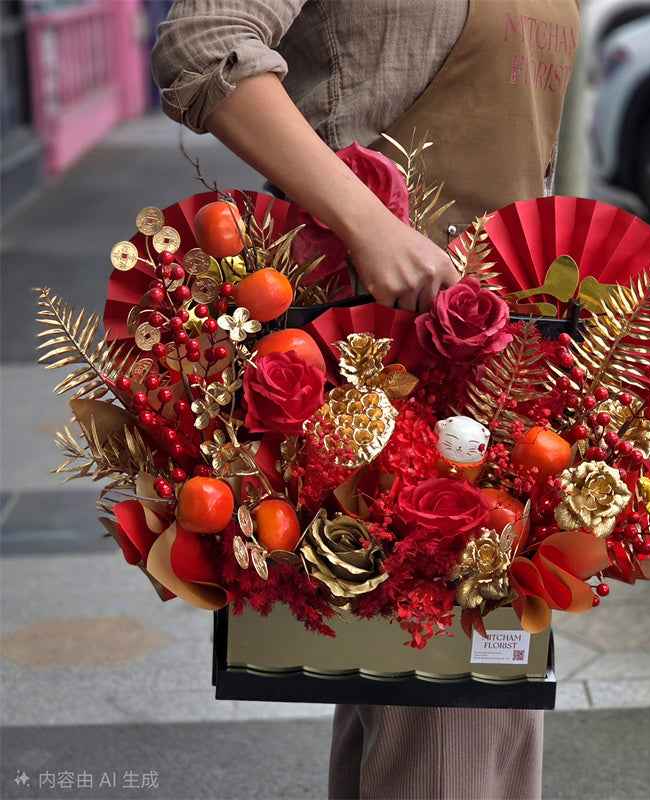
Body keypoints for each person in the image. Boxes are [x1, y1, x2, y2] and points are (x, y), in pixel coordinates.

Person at [152, 2, 579, 797]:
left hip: (503, 359)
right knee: (451, 716)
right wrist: (368, 222)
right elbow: (204, 43)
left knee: (440, 703)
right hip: (379, 365)